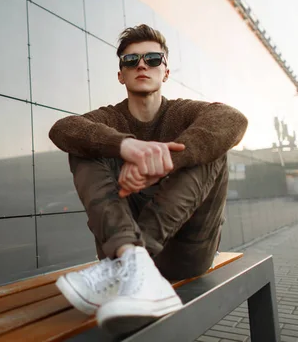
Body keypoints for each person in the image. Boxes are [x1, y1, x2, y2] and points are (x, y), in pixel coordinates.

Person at [48, 24, 248, 330]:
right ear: (121, 75)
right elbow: (62, 129)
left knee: (210, 146)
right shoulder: (110, 118)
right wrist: (128, 147)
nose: (142, 65)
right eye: (131, 61)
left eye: (153, 59)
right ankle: (133, 257)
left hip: (187, 252)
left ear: (165, 72)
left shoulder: (183, 112)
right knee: (84, 145)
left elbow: (233, 119)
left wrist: (163, 162)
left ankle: (136, 256)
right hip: (120, 255)